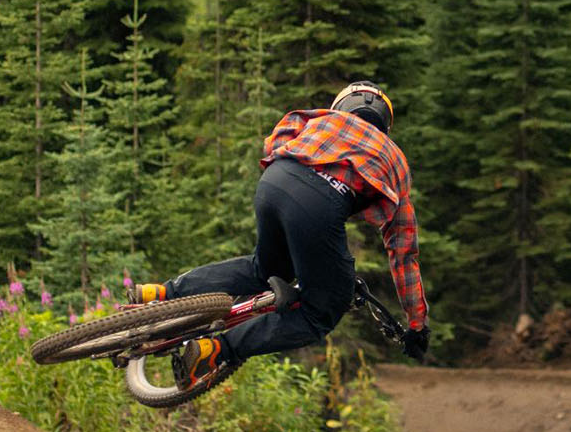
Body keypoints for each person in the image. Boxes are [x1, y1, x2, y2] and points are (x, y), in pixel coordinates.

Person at [131, 81, 430, 389]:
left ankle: (160, 294)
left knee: (263, 269)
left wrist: (293, 167)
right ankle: (215, 350)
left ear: (341, 105)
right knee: (318, 314)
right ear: (385, 123)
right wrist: (417, 325)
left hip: (276, 180)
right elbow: (403, 252)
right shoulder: (395, 159)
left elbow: (283, 129)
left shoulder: (321, 119)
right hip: (322, 204)